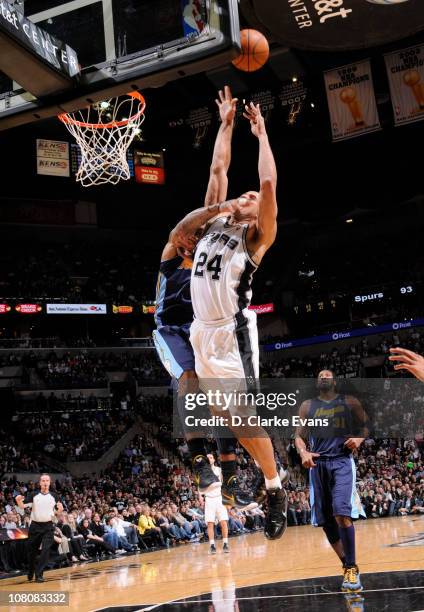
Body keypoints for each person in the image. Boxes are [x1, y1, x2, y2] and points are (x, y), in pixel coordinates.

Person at [172, 101, 287, 540]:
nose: (246, 195)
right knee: (211, 408)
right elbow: (218, 170)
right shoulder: (214, 222)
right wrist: (224, 125)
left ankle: (275, 488)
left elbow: (269, 182)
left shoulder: (258, 236)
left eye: (252, 198)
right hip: (200, 329)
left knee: (244, 418)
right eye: (244, 195)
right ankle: (225, 466)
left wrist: (261, 136)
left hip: (232, 332)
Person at [153, 86, 253, 508]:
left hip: (201, 328)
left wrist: (228, 126)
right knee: (190, 380)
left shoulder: (213, 243)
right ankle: (198, 459)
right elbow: (214, 178)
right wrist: (225, 126)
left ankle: (229, 470)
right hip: (169, 330)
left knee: (224, 395)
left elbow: (221, 168)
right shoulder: (174, 249)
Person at [295, 370, 368, 593]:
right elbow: (298, 436)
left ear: (334, 381)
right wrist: (302, 452)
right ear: (318, 382)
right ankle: (346, 564)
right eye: (320, 375)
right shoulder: (307, 406)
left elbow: (366, 425)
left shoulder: (349, 401)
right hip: (318, 465)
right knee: (327, 522)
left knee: (341, 513)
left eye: (328, 374)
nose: (324, 376)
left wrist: (359, 438)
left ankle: (352, 567)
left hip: (341, 462)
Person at [15, 473, 63, 582]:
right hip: (35, 526)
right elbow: (22, 506)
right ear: (40, 483)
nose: (45, 482)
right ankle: (31, 570)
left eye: (47, 481)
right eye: (43, 481)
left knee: (46, 550)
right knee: (32, 552)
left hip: (48, 526)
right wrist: (18, 501)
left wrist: (59, 511)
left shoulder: (55, 496)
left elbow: (56, 512)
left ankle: (39, 574)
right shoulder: (33, 495)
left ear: (50, 483)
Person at [204, 453, 230, 554]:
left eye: (211, 457)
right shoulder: (202, 472)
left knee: (223, 522)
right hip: (209, 499)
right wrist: (200, 497)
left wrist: (227, 499)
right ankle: (212, 545)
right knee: (210, 523)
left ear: (214, 459)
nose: (209, 459)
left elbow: (224, 485)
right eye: (207, 458)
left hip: (219, 498)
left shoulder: (219, 470)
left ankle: (225, 543)